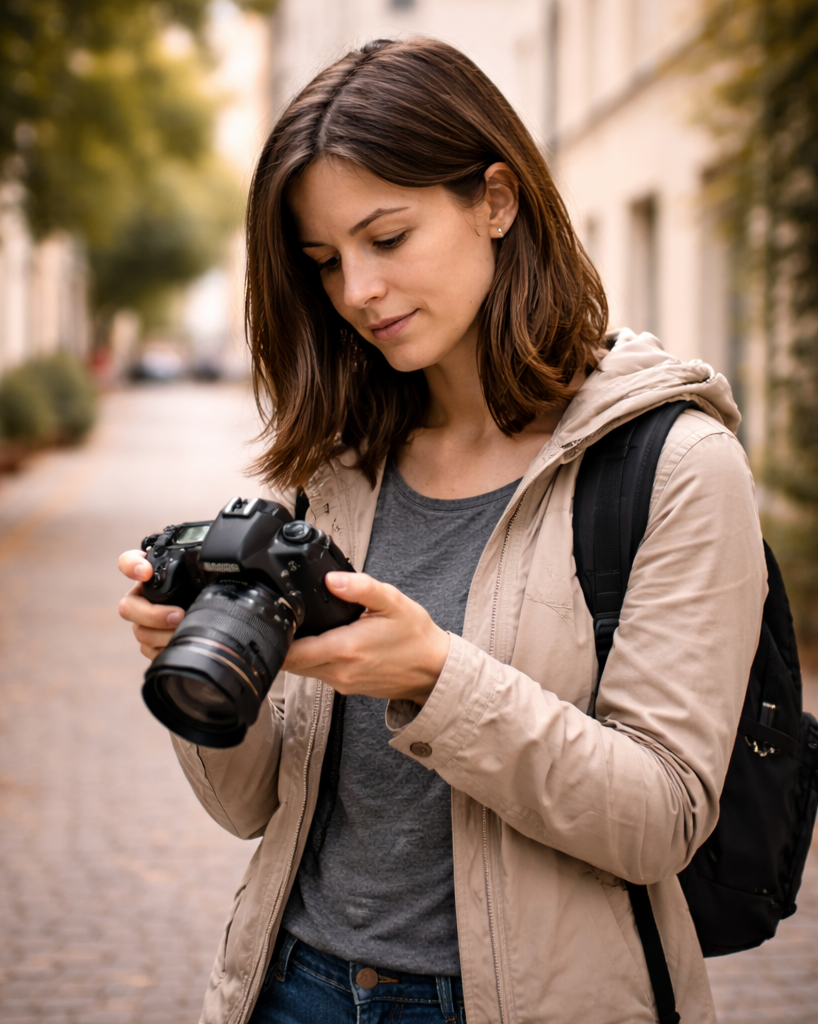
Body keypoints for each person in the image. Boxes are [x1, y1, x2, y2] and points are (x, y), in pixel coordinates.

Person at [118, 37, 766, 1024]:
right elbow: (251, 809)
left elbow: (661, 818)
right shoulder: (337, 464)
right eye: (325, 262)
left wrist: (434, 676)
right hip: (289, 986)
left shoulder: (672, 464)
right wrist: (201, 668)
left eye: (386, 238)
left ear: (495, 200)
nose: (356, 292)